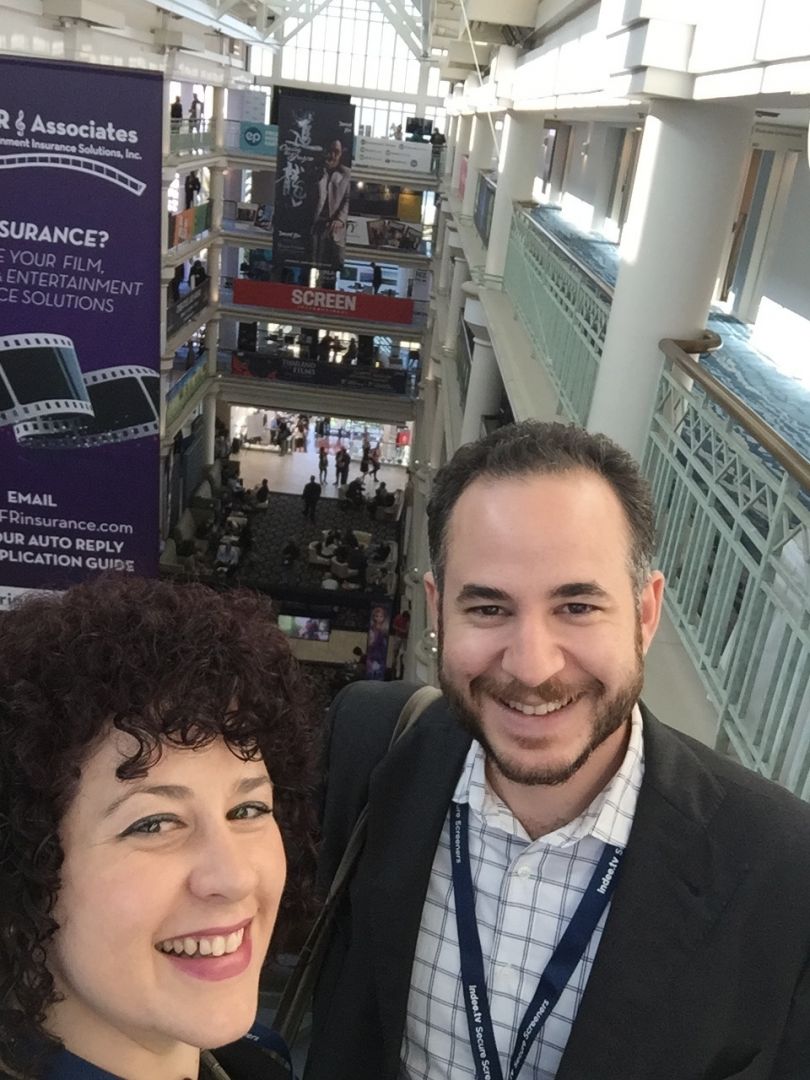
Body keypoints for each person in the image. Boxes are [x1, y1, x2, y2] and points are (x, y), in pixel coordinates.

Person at [305, 420, 810, 1080]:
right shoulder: (374, 747)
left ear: (645, 614)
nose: (533, 667)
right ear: (438, 610)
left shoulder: (782, 870)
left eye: (576, 607)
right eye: (489, 609)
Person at [0, 576, 315, 1080]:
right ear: (20, 869)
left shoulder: (258, 1062)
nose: (234, 878)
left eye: (248, 809)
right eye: (153, 824)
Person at [309, 138, 351, 269]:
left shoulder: (347, 174)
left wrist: (340, 219)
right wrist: (320, 174)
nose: (333, 156)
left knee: (333, 260)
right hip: (315, 223)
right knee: (312, 259)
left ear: (341, 153)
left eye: (336, 152)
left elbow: (348, 199)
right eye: (330, 151)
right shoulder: (315, 169)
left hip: (334, 227)